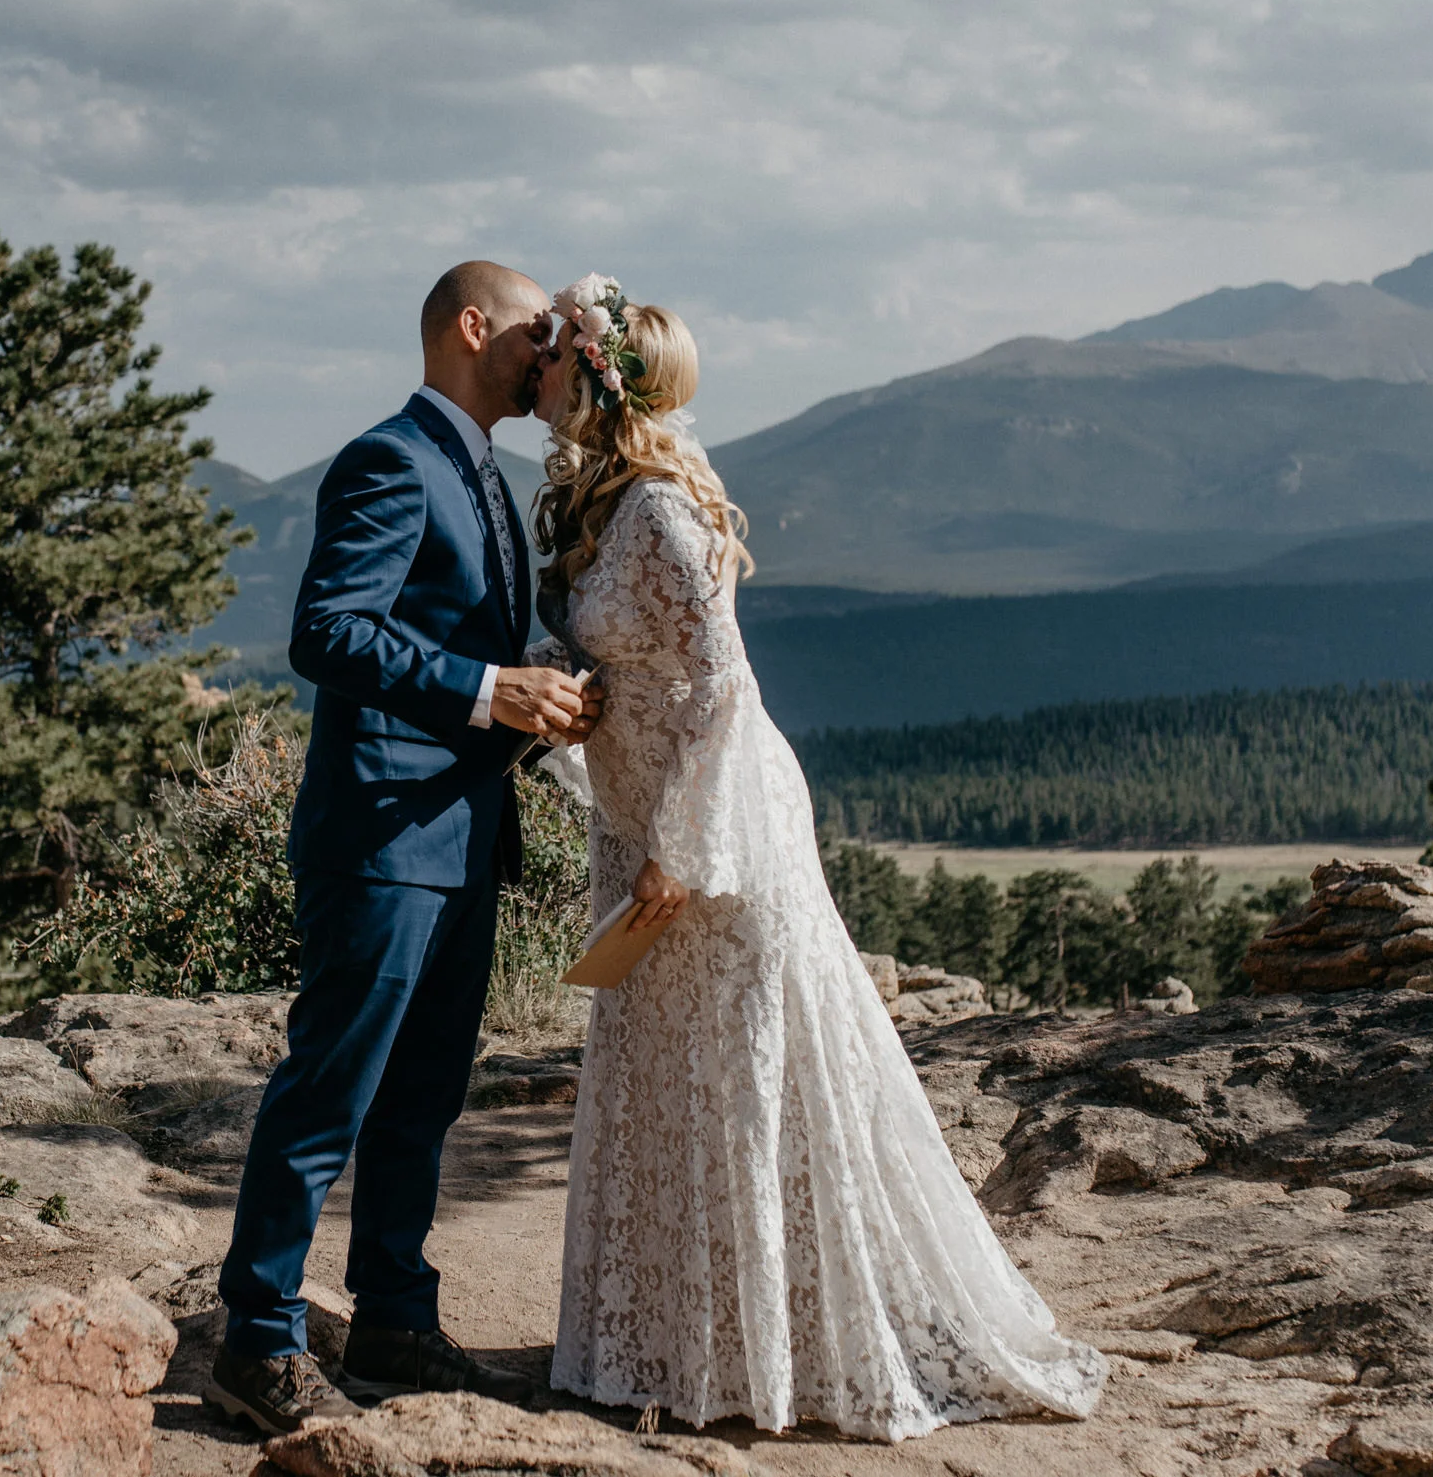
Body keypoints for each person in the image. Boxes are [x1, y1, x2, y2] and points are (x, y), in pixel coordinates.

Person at [530, 276, 1106, 1440]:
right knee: (668, 1069)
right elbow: (644, 666)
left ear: (595, 373)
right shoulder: (609, 500)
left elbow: (721, 687)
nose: (535, 362)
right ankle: (693, 1338)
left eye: (553, 345)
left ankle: (765, 1350)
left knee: (740, 1077)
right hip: (648, 820)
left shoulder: (659, 513)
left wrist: (682, 848)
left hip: (712, 841)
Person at [206, 260, 602, 1434]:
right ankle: (258, 1339)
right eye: (538, 329)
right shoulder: (391, 459)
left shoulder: (485, 469)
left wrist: (544, 697)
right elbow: (326, 631)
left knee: (423, 1097)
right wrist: (490, 687)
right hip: (380, 836)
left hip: (463, 834)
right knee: (328, 1090)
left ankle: (392, 1319)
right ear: (471, 326)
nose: (549, 348)